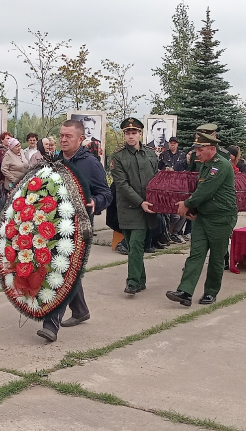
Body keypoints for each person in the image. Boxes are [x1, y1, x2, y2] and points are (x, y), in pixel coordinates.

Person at [38, 119, 112, 342]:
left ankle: (51, 324)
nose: (63, 139)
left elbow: (106, 194)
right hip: (53, 227)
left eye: (68, 136)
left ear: (80, 139)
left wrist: (95, 202)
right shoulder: (55, 162)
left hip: (79, 229)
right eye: (61, 135)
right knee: (68, 272)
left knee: (60, 272)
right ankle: (80, 310)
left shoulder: (91, 164)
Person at [166, 132, 237, 306]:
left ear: (212, 149)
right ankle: (185, 292)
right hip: (203, 217)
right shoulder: (205, 164)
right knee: (196, 254)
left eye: (201, 149)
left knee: (216, 258)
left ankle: (210, 292)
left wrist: (187, 204)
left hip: (221, 219)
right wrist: (194, 210)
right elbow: (200, 191)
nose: (197, 153)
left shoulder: (221, 166)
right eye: (196, 149)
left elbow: (206, 190)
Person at [111, 117, 158, 295]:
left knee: (136, 245)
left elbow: (156, 178)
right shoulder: (118, 156)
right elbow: (122, 185)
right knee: (133, 246)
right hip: (130, 208)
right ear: (124, 135)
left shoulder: (151, 153)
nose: (131, 136)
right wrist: (140, 202)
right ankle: (141, 280)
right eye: (128, 133)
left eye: (134, 132)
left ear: (140, 134)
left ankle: (132, 282)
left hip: (149, 207)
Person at [158, 136, 188, 244]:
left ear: (177, 144)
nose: (172, 145)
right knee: (173, 214)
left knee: (183, 214)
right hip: (166, 184)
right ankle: (166, 233)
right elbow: (158, 168)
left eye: (174, 143)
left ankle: (175, 233)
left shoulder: (182, 155)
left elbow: (185, 169)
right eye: (171, 143)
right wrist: (165, 170)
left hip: (178, 184)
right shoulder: (163, 155)